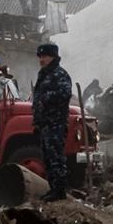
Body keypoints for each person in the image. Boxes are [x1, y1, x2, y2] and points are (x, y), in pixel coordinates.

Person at [33, 44, 72, 202]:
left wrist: (46, 98)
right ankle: (53, 189)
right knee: (48, 158)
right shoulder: (44, 74)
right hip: (45, 124)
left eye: (45, 57)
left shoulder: (59, 74)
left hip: (55, 123)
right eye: (40, 57)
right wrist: (36, 121)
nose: (42, 60)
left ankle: (59, 190)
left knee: (56, 157)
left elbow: (65, 94)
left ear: (53, 57)